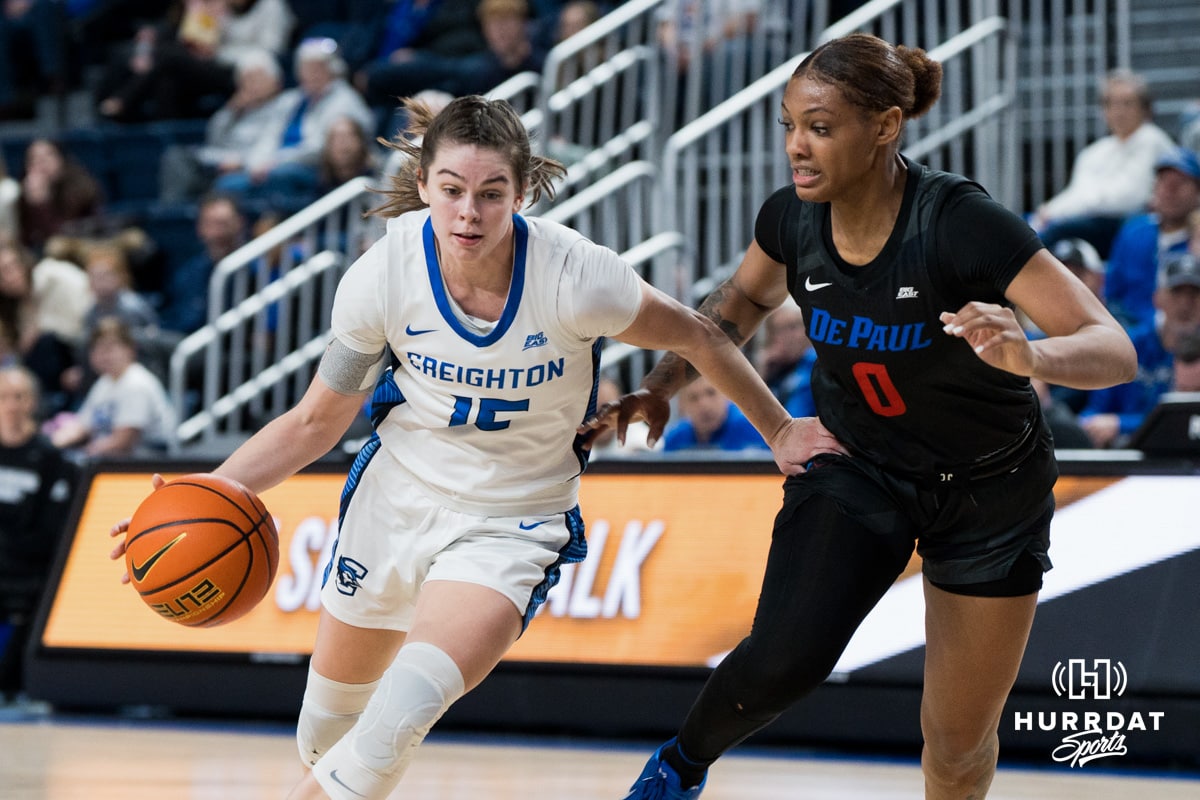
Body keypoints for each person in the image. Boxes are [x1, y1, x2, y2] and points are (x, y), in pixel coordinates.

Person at [107, 94, 811, 800]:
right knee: (326, 739)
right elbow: (315, 422)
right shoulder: (382, 275)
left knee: (391, 727)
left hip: (512, 522)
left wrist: (779, 429)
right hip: (395, 500)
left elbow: (699, 333)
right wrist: (205, 495)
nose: (468, 214)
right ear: (423, 185)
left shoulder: (577, 276)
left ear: (523, 192)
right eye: (451, 191)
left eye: (490, 194)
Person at [591, 34, 1136, 799]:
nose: (796, 148)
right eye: (788, 126)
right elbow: (737, 304)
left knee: (954, 744)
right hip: (861, 466)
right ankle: (678, 770)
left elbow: (1112, 348)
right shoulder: (791, 219)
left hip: (989, 493)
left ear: (884, 127)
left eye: (818, 126)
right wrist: (660, 386)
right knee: (781, 659)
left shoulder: (958, 222)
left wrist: (1034, 356)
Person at [212, 36, 375, 208]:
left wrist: (276, 162)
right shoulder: (290, 100)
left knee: (282, 176)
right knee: (227, 184)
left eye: (318, 68)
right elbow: (268, 136)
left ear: (333, 70)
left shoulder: (345, 100)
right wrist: (256, 163)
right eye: (306, 68)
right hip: (272, 167)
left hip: (313, 169)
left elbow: (322, 146)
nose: (311, 74)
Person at [1030, 69, 1175, 260]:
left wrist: (1058, 212)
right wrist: (1048, 210)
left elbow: (1127, 198)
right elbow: (1078, 192)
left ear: (1146, 109)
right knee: (1027, 224)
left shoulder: (1152, 140)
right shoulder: (1094, 152)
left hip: (1129, 223)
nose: (1119, 111)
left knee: (1058, 231)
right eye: (1111, 104)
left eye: (1127, 103)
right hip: (1092, 221)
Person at [0, 364, 78, 701]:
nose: (12, 405)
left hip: (25, 568)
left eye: (19, 396)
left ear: (32, 402)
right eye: (4, 397)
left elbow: (51, 532)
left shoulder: (50, 459)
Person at [1079, 251, 1200, 448]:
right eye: (1177, 292)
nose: (1185, 303)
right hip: (1125, 450)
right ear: (1157, 298)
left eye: (1194, 294)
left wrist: (1123, 424)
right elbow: (1095, 412)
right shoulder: (1127, 346)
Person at [157, 47, 291, 204]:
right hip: (217, 162)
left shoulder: (286, 105)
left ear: (276, 81)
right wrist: (232, 111)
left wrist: (242, 162)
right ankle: (171, 216)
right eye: (246, 79)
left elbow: (271, 144)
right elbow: (214, 140)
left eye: (258, 78)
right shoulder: (236, 109)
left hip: (248, 167)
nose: (252, 84)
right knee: (175, 156)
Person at [1103, 146, 1200, 334]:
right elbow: (1113, 294)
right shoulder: (1134, 230)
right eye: (1164, 182)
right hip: (1130, 332)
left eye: (1180, 183)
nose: (1170, 190)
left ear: (1197, 193)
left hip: (1188, 338)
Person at [49, 316, 175, 459]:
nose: (103, 355)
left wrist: (86, 452)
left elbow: (123, 441)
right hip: (112, 458)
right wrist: (51, 444)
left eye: (110, 348)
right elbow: (82, 426)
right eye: (97, 349)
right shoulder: (104, 382)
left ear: (130, 349)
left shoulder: (136, 382)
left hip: (148, 460)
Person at [662, 374, 768, 452]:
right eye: (693, 398)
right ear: (682, 406)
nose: (704, 405)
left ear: (727, 393)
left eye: (711, 393)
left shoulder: (755, 428)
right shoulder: (674, 439)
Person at [757, 299, 816, 417]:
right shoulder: (777, 368)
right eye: (778, 330)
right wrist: (763, 373)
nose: (787, 337)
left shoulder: (813, 363)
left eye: (793, 327)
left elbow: (794, 416)